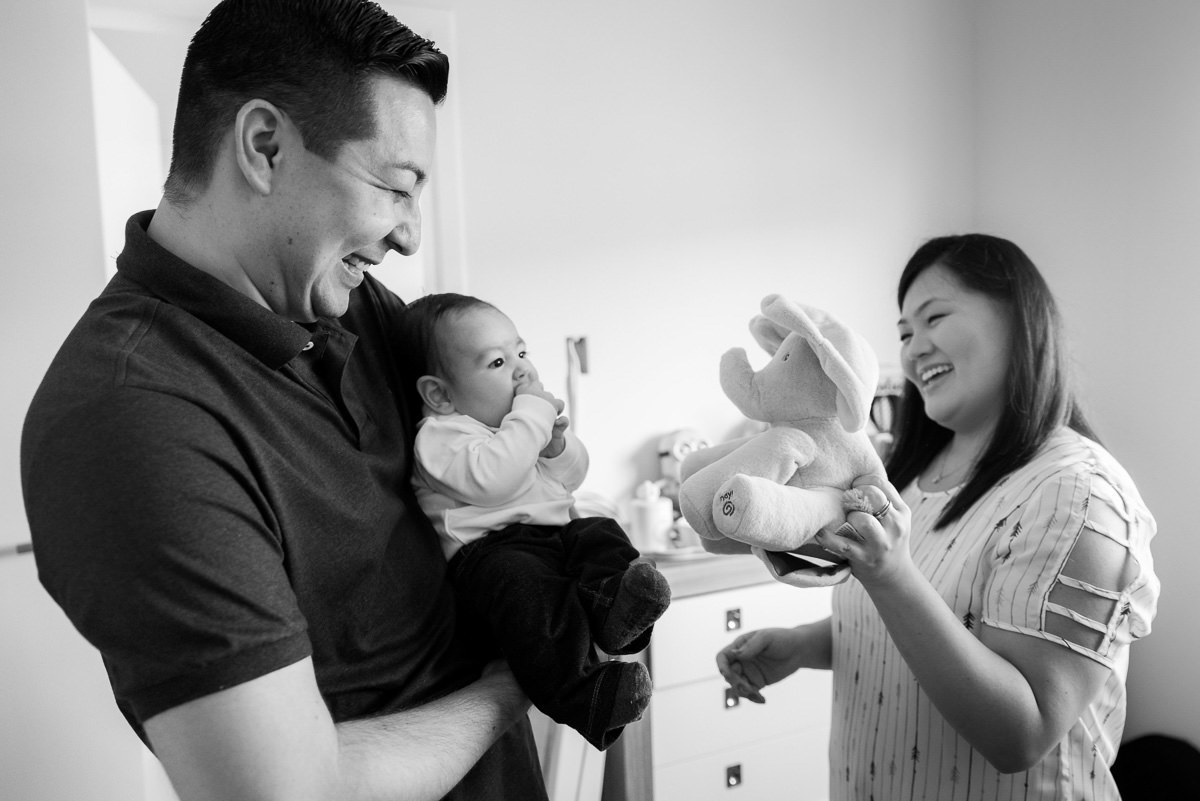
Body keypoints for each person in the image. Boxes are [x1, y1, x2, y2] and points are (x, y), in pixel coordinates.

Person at [20, 2, 548, 799]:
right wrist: (516, 680)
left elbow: (502, 438)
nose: (409, 235)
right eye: (395, 187)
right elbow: (287, 790)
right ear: (265, 147)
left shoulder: (345, 302)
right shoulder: (127, 416)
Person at [716, 234, 1159, 801]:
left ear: (1019, 319)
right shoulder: (911, 477)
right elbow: (933, 623)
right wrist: (804, 645)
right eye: (904, 333)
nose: (913, 349)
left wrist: (891, 575)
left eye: (935, 318)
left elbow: (1020, 736)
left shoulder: (1078, 493)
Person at [404, 292, 672, 751]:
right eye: (497, 362)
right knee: (528, 590)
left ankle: (615, 608)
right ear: (440, 395)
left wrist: (556, 449)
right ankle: (585, 696)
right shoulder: (441, 435)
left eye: (522, 353)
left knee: (599, 531)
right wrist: (531, 418)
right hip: (491, 554)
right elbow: (493, 479)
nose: (522, 371)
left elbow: (571, 478)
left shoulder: (517, 430)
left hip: (554, 536)